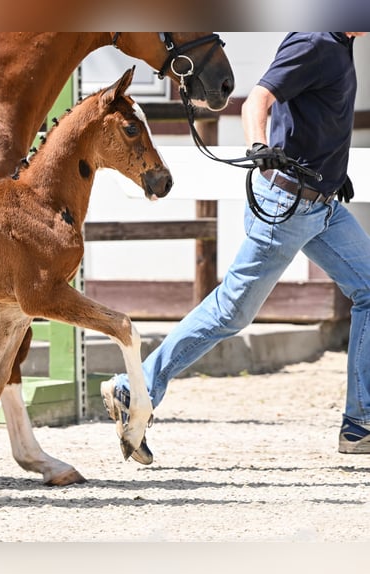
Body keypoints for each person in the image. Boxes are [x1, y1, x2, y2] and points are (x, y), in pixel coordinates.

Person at [101, 32, 370, 464]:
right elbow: (257, 100)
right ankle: (134, 386)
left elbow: (315, 114)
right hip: (289, 206)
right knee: (231, 311)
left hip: (321, 205)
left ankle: (360, 425)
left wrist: (333, 169)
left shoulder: (340, 42)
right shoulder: (314, 42)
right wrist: (259, 146)